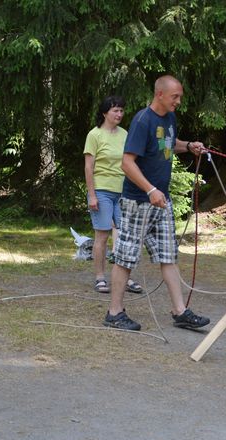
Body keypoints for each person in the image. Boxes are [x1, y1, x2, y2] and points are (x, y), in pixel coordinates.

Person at [104, 75, 211, 331]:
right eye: (175, 96)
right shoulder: (143, 120)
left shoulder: (169, 118)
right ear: (159, 94)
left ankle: (180, 311)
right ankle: (114, 313)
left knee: (168, 254)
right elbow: (126, 163)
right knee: (126, 257)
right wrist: (150, 189)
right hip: (139, 201)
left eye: (180, 96)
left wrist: (189, 146)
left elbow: (167, 144)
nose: (179, 101)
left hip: (162, 201)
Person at [83, 96, 142, 294]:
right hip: (102, 191)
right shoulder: (94, 135)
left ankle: (126, 278)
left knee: (126, 237)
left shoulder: (125, 134)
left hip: (124, 192)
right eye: (115, 110)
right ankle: (100, 278)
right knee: (102, 235)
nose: (119, 114)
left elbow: (130, 163)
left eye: (121, 110)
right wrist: (92, 195)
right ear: (104, 113)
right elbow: (88, 167)